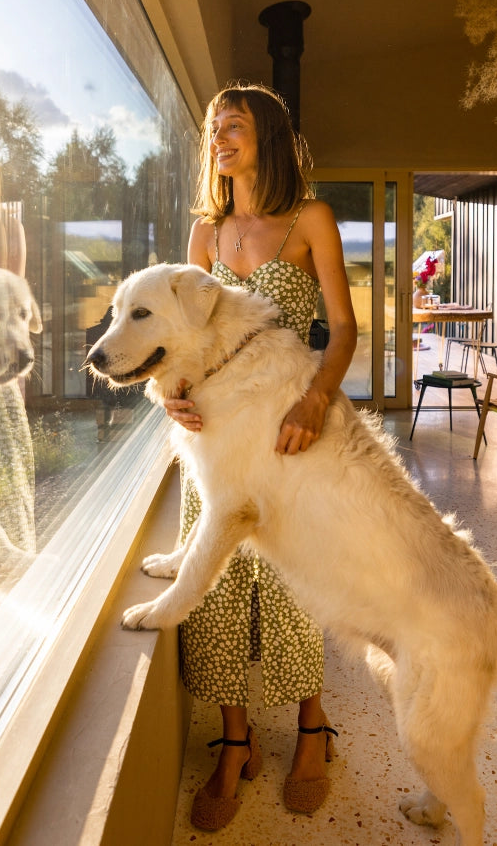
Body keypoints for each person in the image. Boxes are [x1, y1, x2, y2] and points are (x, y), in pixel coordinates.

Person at [162, 82, 358, 831]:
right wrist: (173, 394)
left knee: (291, 581)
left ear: (267, 135)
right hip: (215, 441)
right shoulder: (204, 237)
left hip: (286, 434)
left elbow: (341, 330)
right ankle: (235, 741)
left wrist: (314, 400)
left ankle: (312, 728)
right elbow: (184, 344)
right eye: (214, 127)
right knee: (211, 589)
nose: (218, 137)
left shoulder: (309, 219)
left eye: (233, 124)